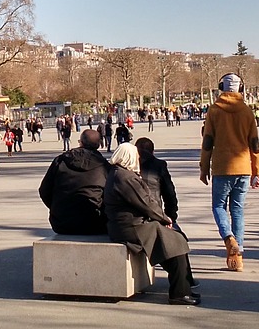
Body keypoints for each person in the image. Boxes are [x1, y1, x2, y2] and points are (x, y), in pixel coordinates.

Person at [105, 143, 200, 306]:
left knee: (174, 242)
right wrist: (165, 218)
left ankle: (182, 289)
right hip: (133, 227)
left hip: (130, 224)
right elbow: (146, 203)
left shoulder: (117, 174)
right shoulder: (125, 177)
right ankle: (179, 293)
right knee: (175, 243)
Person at [199, 72, 259, 272]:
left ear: (221, 88)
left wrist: (203, 167)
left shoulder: (214, 110)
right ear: (241, 89)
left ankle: (228, 238)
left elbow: (207, 141)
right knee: (238, 210)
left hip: (222, 166)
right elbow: (255, 144)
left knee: (218, 206)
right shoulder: (246, 111)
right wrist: (257, 170)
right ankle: (239, 253)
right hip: (243, 166)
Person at [38, 128, 109, 235]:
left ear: (81, 142)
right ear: (99, 145)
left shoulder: (61, 160)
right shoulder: (104, 166)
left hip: (62, 222)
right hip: (95, 222)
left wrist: (57, 208)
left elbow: (44, 190)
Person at [134, 137, 178, 228]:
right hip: (154, 214)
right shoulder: (159, 165)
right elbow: (169, 194)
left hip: (132, 217)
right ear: (152, 151)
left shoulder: (128, 165)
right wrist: (170, 217)